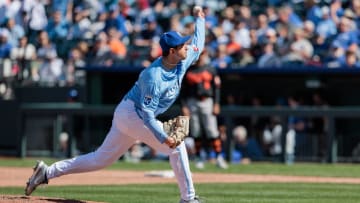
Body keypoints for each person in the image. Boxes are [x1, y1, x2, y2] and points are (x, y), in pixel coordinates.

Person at [25, 6, 205, 203]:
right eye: (182, 45)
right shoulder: (153, 77)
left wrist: (200, 19)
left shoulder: (183, 61)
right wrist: (164, 137)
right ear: (172, 51)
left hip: (127, 112)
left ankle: (46, 172)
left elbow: (199, 42)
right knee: (176, 147)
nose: (186, 46)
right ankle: (188, 199)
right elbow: (147, 116)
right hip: (133, 114)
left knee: (99, 160)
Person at [180, 50, 228, 169]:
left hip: (207, 101)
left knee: (212, 130)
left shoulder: (211, 69)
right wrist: (184, 106)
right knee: (196, 131)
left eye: (203, 55)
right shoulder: (188, 70)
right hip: (192, 101)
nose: (201, 57)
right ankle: (198, 157)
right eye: (199, 55)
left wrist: (216, 103)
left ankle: (218, 157)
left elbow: (217, 88)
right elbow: (182, 91)